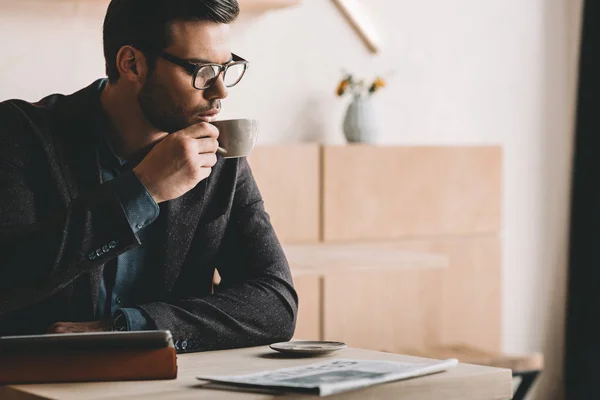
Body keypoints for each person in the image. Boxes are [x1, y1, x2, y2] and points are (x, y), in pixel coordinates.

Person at [0, 0, 298, 353]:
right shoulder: (20, 133)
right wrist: (142, 190)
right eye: (202, 71)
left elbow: (275, 304)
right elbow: (10, 278)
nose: (221, 91)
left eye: (226, 67)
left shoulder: (218, 152)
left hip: (172, 384)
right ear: (132, 64)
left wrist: (126, 329)